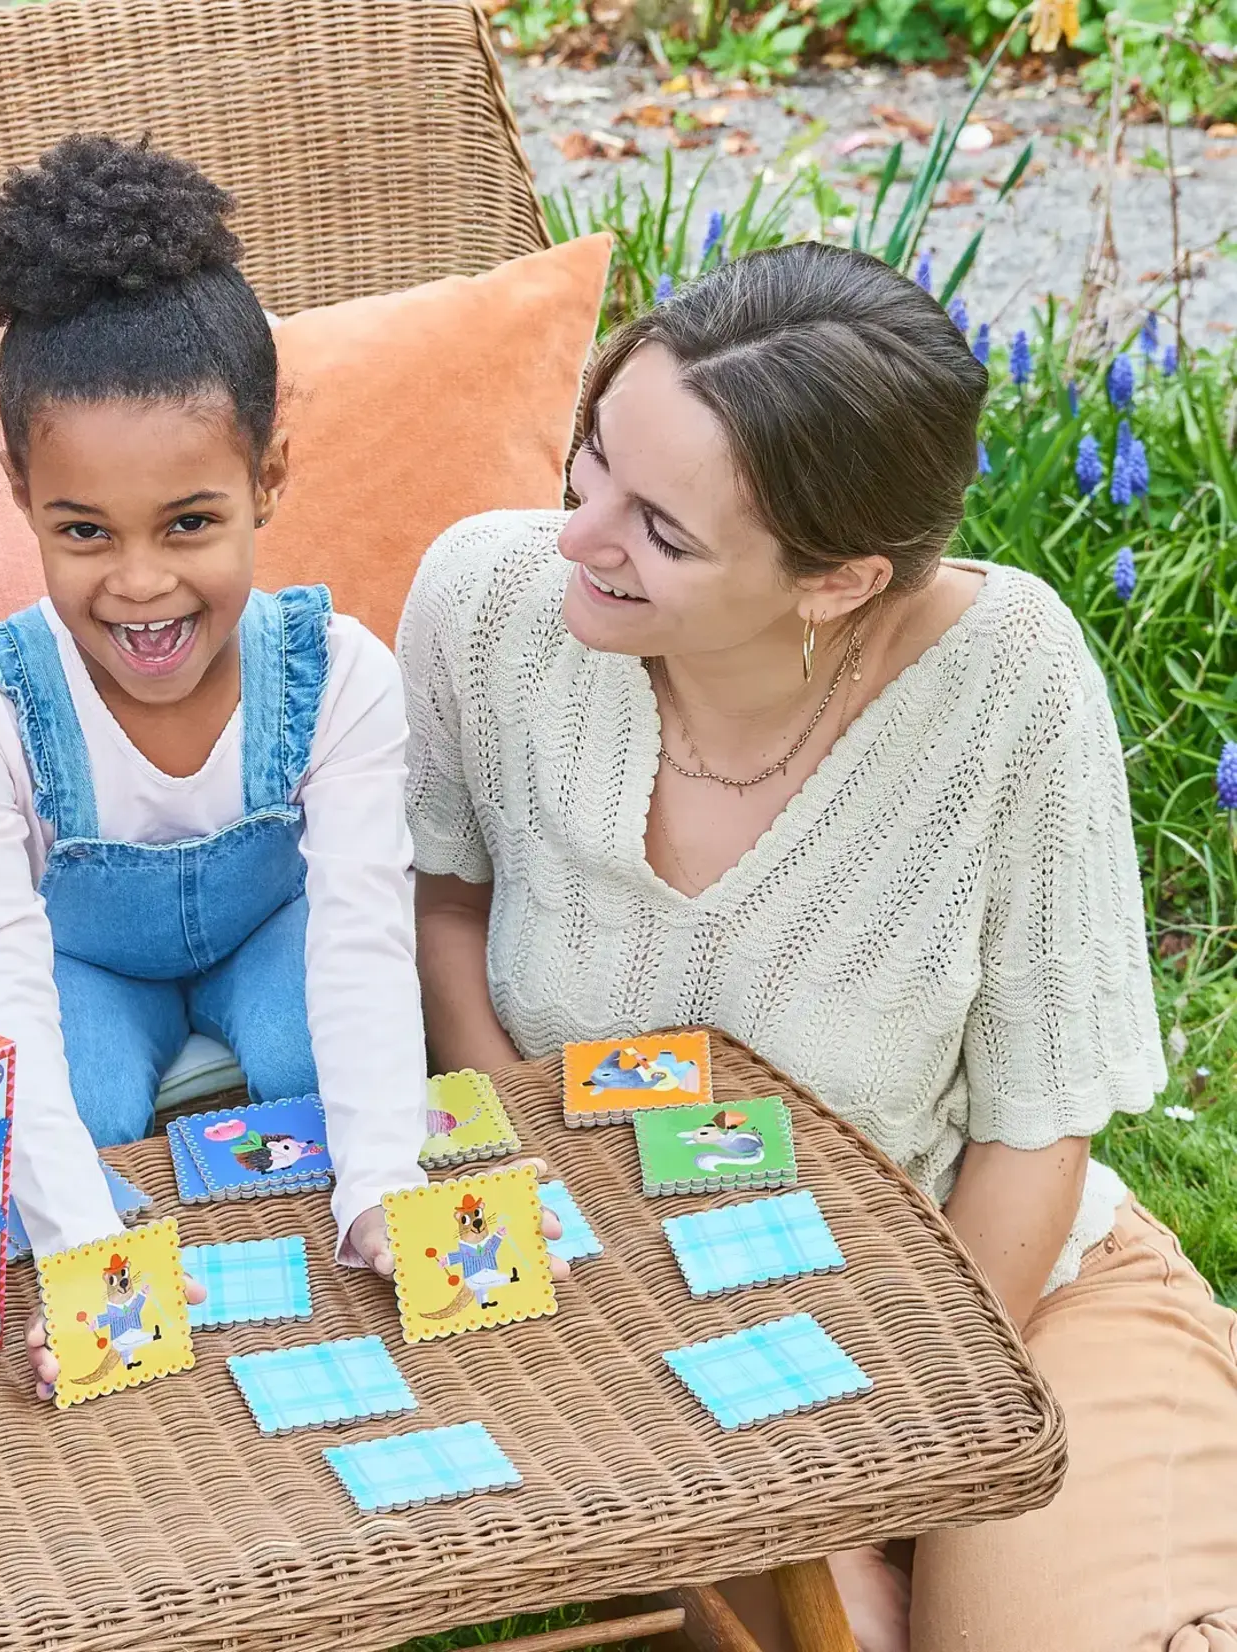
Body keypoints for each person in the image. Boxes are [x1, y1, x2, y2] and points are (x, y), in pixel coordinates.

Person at [399, 241, 1237, 1651]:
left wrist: (890, 1440)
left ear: (837, 582)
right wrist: (528, 1180)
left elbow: (1035, 1136)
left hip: (1006, 1289)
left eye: (659, 530)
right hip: (668, 1343)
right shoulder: (489, 610)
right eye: (590, 463)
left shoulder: (1008, 683)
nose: (578, 536)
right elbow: (444, 901)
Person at [0, 134, 432, 1397]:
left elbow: (361, 939)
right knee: (62, 1126)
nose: (139, 584)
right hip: (86, 960)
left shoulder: (342, 673)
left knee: (326, 1079)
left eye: (189, 523)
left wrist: (382, 1195)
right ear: (19, 494)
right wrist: (90, 1253)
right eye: (82, 531)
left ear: (266, 480)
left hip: (273, 931)